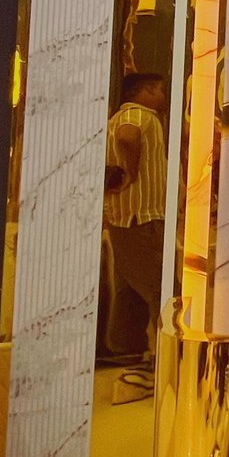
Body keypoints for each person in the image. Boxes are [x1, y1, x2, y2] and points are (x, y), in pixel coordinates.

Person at [104, 72, 168, 384]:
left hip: (124, 217)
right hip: (141, 218)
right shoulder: (138, 114)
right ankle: (163, 358)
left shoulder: (118, 117)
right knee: (159, 288)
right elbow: (127, 137)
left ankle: (126, 349)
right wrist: (131, 171)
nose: (162, 97)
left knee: (128, 287)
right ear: (144, 91)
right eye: (159, 90)